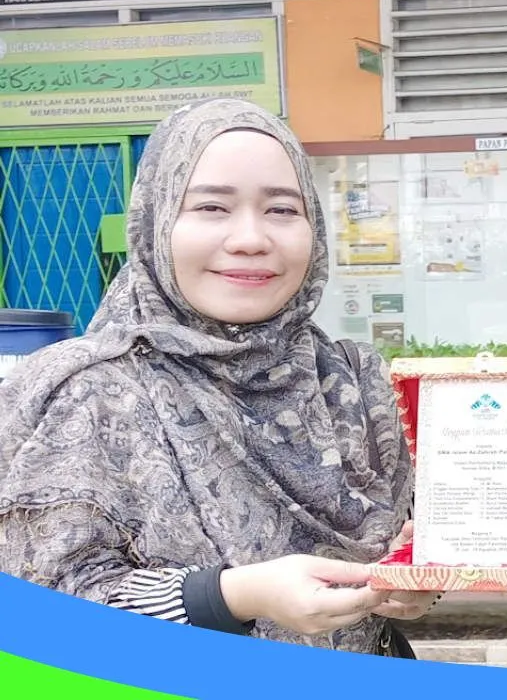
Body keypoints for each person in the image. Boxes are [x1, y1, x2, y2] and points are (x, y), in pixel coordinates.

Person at [0, 98, 439, 657]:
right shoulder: (87, 391)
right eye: (211, 208)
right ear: (156, 224)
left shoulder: (353, 381)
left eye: (283, 209)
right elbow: (43, 614)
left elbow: (409, 550)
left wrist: (412, 588)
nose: (251, 238)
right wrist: (230, 596)